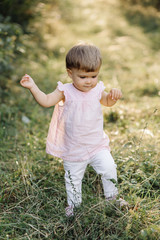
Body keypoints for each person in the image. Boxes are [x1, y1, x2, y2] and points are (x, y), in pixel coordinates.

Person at [20, 43, 128, 217]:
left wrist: (113, 96)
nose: (89, 81)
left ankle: (112, 198)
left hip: (96, 145)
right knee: (73, 180)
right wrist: (33, 87)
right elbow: (47, 100)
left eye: (94, 76)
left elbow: (107, 101)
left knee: (109, 168)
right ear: (70, 73)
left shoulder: (97, 89)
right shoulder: (65, 91)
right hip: (73, 148)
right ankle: (74, 207)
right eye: (83, 76)